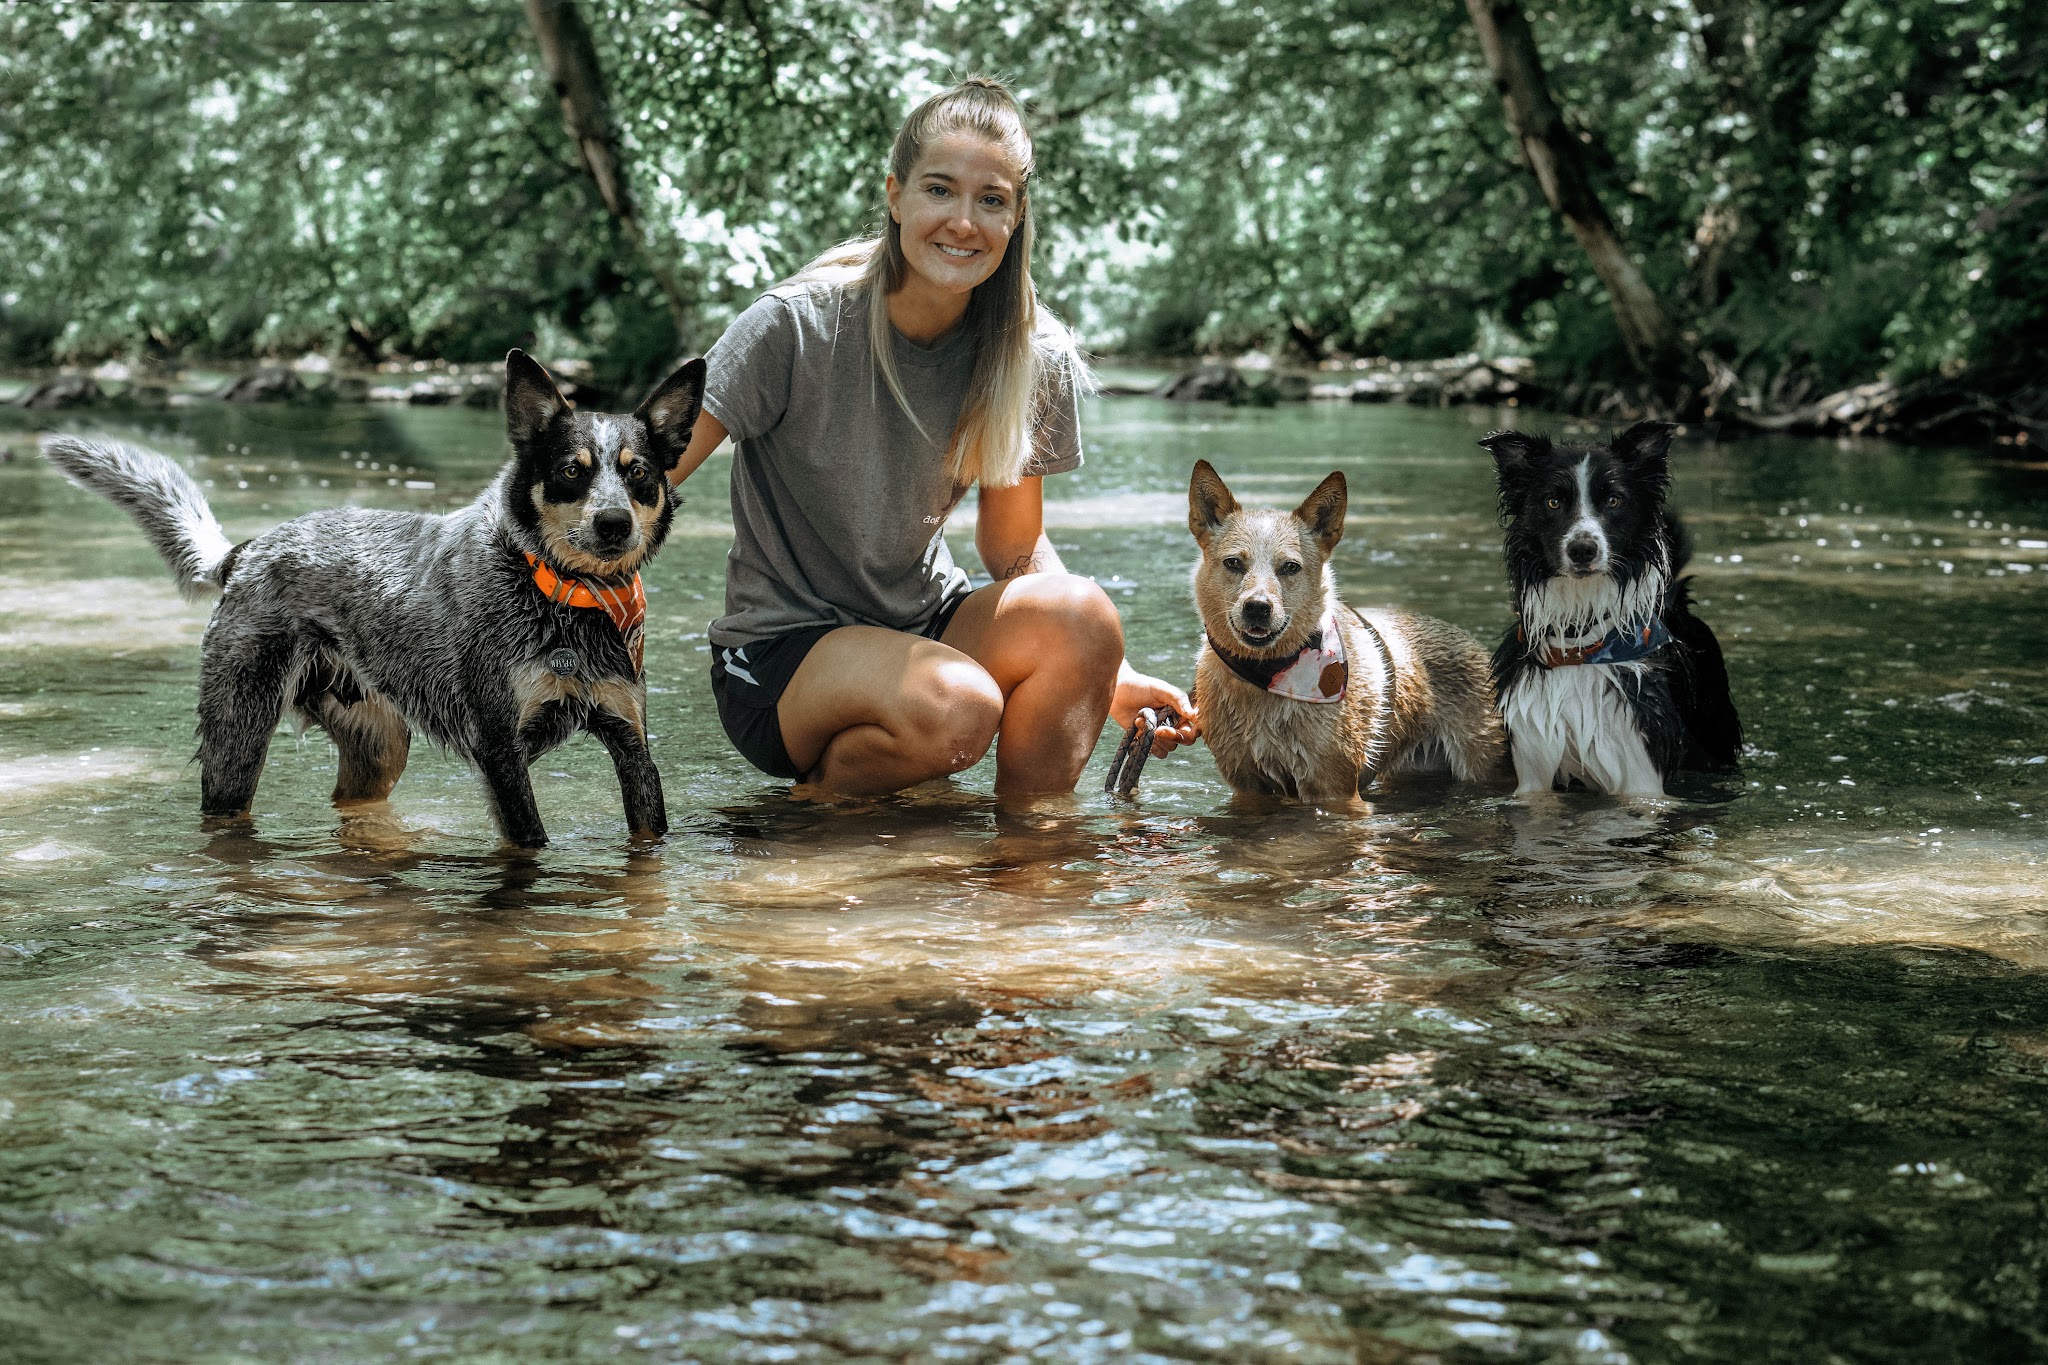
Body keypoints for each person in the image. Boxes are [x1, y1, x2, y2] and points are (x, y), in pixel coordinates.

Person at [666, 76, 1197, 796]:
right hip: (780, 656)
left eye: (991, 199)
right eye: (940, 190)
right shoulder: (793, 327)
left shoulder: (1029, 354)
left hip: (924, 630)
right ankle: (814, 816)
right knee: (960, 705)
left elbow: (1011, 548)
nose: (964, 222)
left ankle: (1028, 875)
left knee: (1086, 619)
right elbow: (641, 476)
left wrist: (1112, 675)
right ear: (895, 196)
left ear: (1016, 216)